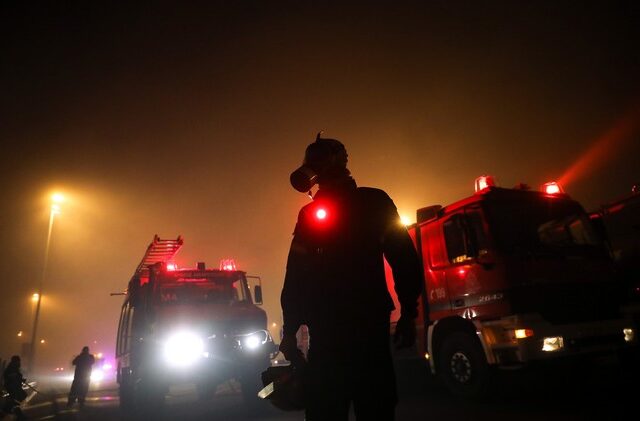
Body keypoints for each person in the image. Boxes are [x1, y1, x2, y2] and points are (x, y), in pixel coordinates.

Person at [280, 134, 424, 421]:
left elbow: (295, 276)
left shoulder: (311, 214)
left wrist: (290, 330)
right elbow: (405, 260)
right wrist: (409, 311)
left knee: (326, 408)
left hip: (328, 332)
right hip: (368, 328)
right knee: (375, 406)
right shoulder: (375, 202)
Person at [1, 355, 27, 421]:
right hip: (12, 387)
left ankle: (11, 410)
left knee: (17, 398)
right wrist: (18, 379)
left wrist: (21, 379)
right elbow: (11, 377)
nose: (19, 363)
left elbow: (17, 376)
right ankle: (9, 410)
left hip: (15, 387)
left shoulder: (15, 368)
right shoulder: (11, 368)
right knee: (17, 397)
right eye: (18, 361)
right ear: (15, 361)